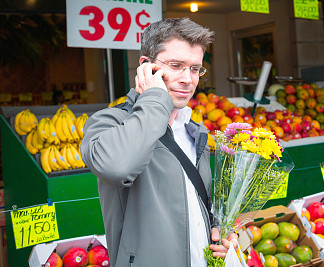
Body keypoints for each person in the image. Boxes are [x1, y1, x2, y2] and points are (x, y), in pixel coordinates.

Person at [81, 17, 237, 267]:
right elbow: (116, 167)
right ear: (146, 66)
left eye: (195, 69)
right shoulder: (108, 122)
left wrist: (219, 231)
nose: (188, 79)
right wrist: (154, 98)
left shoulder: (195, 130)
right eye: (176, 65)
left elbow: (196, 203)